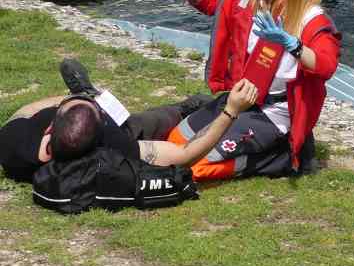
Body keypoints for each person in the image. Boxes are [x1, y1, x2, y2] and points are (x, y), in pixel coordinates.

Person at [155, 0, 341, 180]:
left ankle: (281, 157)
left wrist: (294, 45)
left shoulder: (311, 18)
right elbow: (218, 4)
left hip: (275, 111)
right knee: (175, 140)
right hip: (242, 98)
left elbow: (326, 66)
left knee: (196, 167)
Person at [0, 58, 254, 183]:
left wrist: (68, 102)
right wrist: (231, 111)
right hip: (119, 128)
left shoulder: (12, 142)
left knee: (136, 120)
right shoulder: (112, 141)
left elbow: (24, 111)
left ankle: (84, 95)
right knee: (144, 122)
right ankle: (186, 107)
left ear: (50, 126)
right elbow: (184, 155)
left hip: (71, 124)